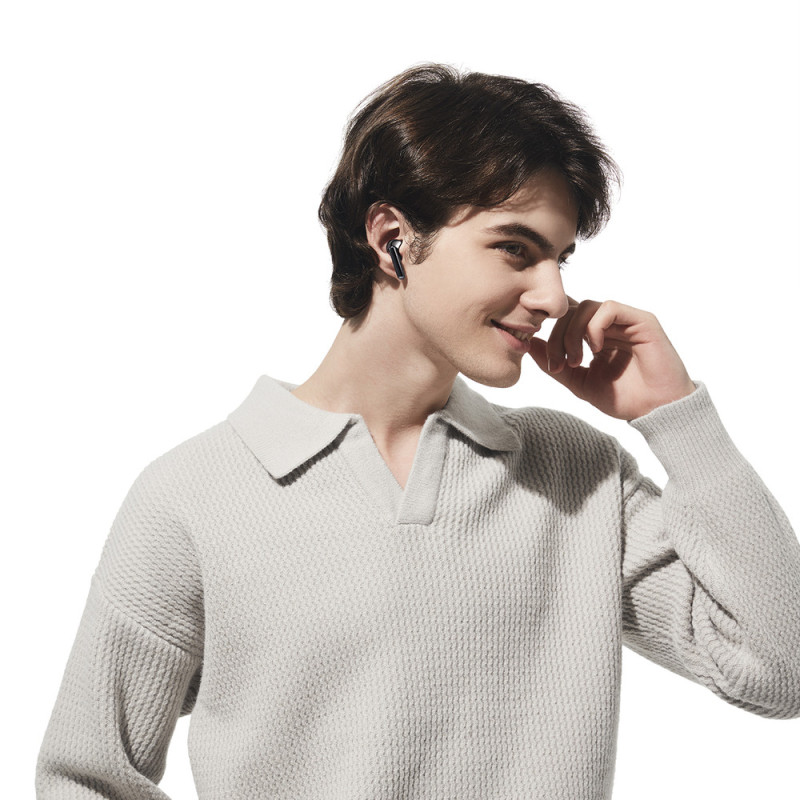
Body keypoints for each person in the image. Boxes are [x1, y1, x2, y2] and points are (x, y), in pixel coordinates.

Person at [36, 63, 800, 799]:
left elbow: (780, 670)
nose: (554, 296)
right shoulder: (195, 496)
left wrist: (675, 416)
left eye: (561, 259)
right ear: (392, 238)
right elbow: (85, 776)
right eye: (515, 248)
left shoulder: (577, 476)